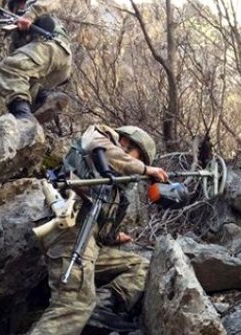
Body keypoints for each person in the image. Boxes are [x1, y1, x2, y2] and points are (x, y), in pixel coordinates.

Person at [30, 125, 169, 334]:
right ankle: (85, 308)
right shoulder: (97, 138)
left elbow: (103, 230)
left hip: (90, 244)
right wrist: (145, 170)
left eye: (136, 156)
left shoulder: (116, 190)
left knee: (142, 266)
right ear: (121, 139)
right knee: (72, 305)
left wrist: (114, 237)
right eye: (129, 148)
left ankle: (100, 308)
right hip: (69, 233)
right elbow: (103, 149)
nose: (127, 153)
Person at [0, 0, 72, 122]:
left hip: (53, 47)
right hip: (53, 71)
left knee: (10, 67)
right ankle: (43, 99)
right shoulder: (18, 34)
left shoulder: (36, 6)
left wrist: (30, 16)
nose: (20, 8)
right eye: (17, 7)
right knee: (10, 81)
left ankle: (23, 117)